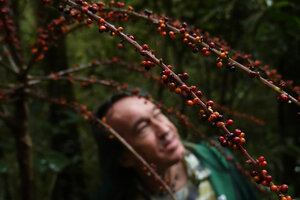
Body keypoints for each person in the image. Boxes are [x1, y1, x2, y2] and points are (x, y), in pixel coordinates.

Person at [92, 93, 261, 200]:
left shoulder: (220, 160)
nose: (164, 129)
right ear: (124, 158)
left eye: (158, 114)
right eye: (143, 128)